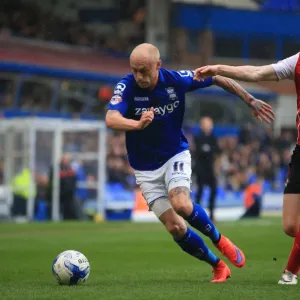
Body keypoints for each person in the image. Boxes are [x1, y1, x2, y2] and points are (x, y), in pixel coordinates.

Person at [106, 43, 274, 283]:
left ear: (158, 66)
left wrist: (249, 99)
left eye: (144, 70)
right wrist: (137, 124)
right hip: (144, 168)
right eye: (134, 70)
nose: (138, 76)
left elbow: (216, 78)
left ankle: (219, 239)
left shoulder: (176, 80)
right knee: (175, 228)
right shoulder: (127, 86)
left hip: (175, 154)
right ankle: (217, 266)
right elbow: (111, 118)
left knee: (182, 204)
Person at [193, 52, 299, 285]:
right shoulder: (297, 62)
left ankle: (289, 274)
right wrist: (218, 68)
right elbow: (257, 72)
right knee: (291, 226)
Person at [194, 116, 220, 221]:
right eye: (205, 124)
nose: (208, 126)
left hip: (210, 169)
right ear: (201, 125)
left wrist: (216, 168)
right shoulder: (198, 137)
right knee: (200, 192)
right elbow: (200, 151)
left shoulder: (213, 138)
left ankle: (212, 214)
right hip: (201, 169)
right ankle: (196, 215)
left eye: (209, 124)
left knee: (213, 191)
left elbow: (217, 153)